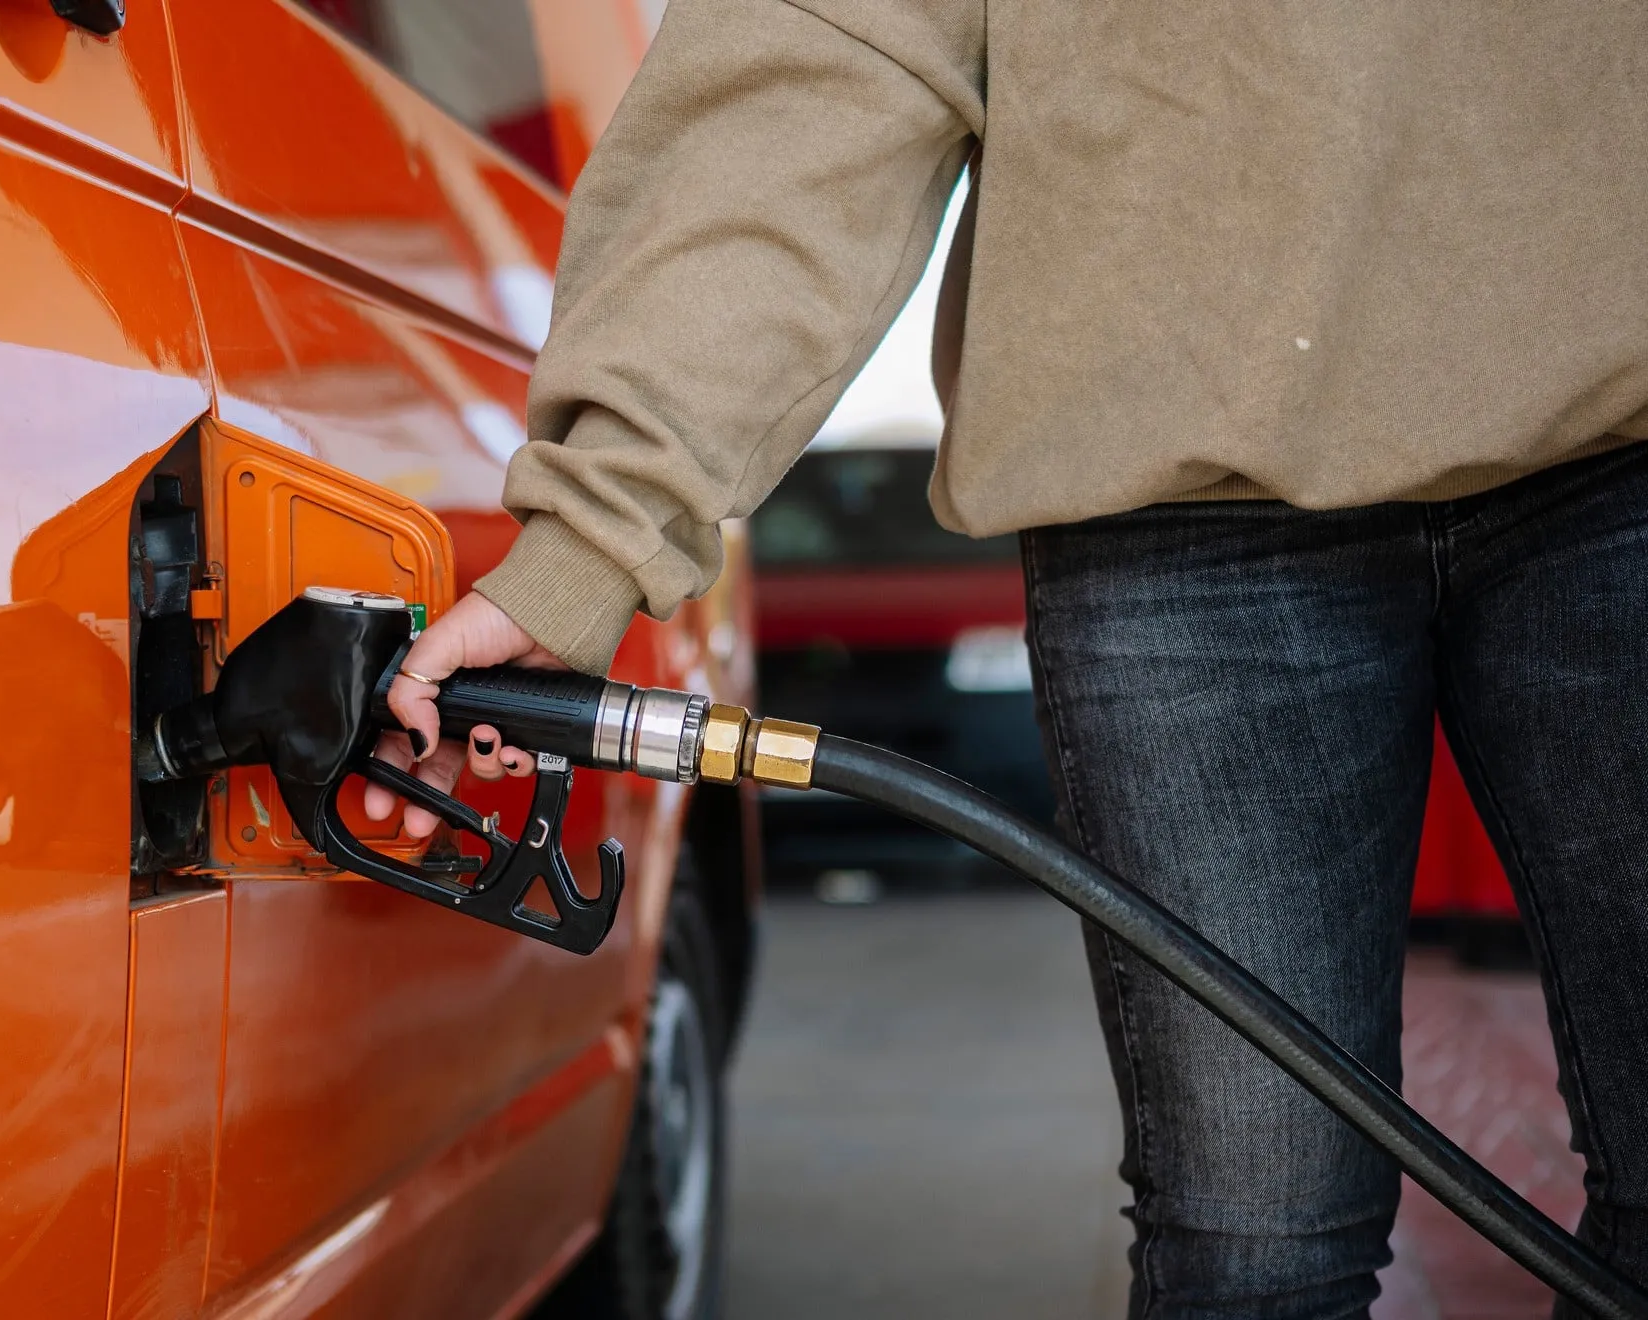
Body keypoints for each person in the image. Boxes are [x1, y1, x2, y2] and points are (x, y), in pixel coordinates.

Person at [363, 3, 1648, 1316]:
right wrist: (584, 547)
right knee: (1255, 1239)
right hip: (1178, 492)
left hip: (1620, 436)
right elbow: (829, 52)